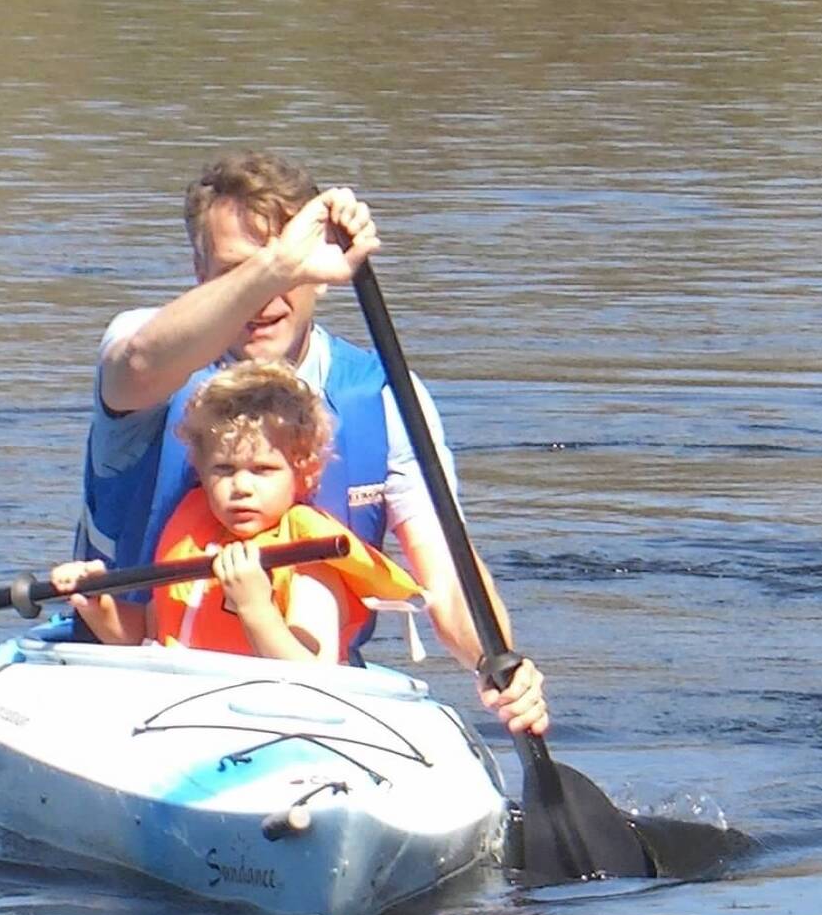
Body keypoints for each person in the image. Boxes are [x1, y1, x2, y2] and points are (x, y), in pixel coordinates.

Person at [71, 150, 550, 734]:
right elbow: (140, 363)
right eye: (238, 274)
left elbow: (448, 583)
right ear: (200, 275)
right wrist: (277, 263)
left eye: (291, 275)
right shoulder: (143, 348)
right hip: (131, 676)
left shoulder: (385, 396)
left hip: (309, 687)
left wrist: (496, 663)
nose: (265, 301)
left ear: (322, 276)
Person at [54, 361, 422, 664]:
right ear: (200, 470)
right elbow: (145, 635)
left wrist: (255, 608)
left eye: (263, 470)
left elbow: (313, 675)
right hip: (175, 704)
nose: (241, 487)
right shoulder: (192, 538)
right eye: (224, 470)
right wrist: (99, 606)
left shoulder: (312, 563)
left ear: (303, 471)